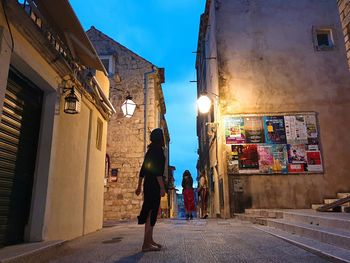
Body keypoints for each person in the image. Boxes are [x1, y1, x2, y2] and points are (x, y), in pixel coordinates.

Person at [135, 128, 166, 252]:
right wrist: (162, 187)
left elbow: (143, 170)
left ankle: (149, 240)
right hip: (154, 185)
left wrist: (139, 186)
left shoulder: (150, 151)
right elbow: (158, 172)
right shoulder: (158, 151)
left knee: (149, 211)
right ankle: (146, 243)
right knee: (151, 212)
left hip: (147, 184)